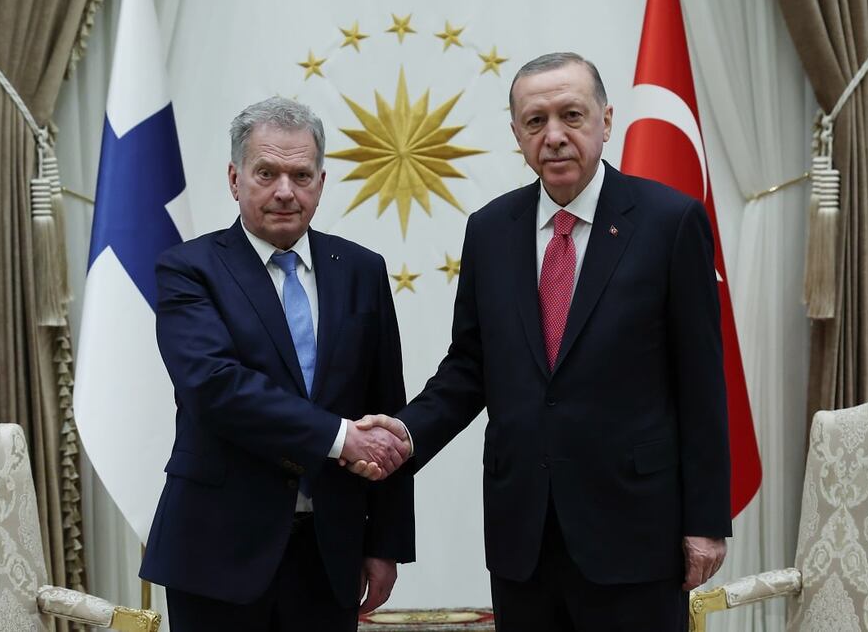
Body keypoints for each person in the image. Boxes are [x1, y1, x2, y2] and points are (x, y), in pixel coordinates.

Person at [349, 52, 731, 631]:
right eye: (535, 121)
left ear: (606, 119)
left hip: (634, 532)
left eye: (571, 116)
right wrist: (405, 432)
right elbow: (470, 367)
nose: (553, 136)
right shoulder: (489, 230)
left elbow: (701, 380)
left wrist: (705, 520)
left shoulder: (669, 221)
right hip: (523, 535)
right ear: (516, 134)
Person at [139, 96, 415, 632]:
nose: (285, 191)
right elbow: (214, 387)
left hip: (329, 553)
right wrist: (340, 437)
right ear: (235, 178)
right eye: (266, 172)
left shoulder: (362, 269)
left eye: (300, 174)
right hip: (217, 553)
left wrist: (385, 544)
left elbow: (387, 408)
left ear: (320, 181)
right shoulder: (190, 269)